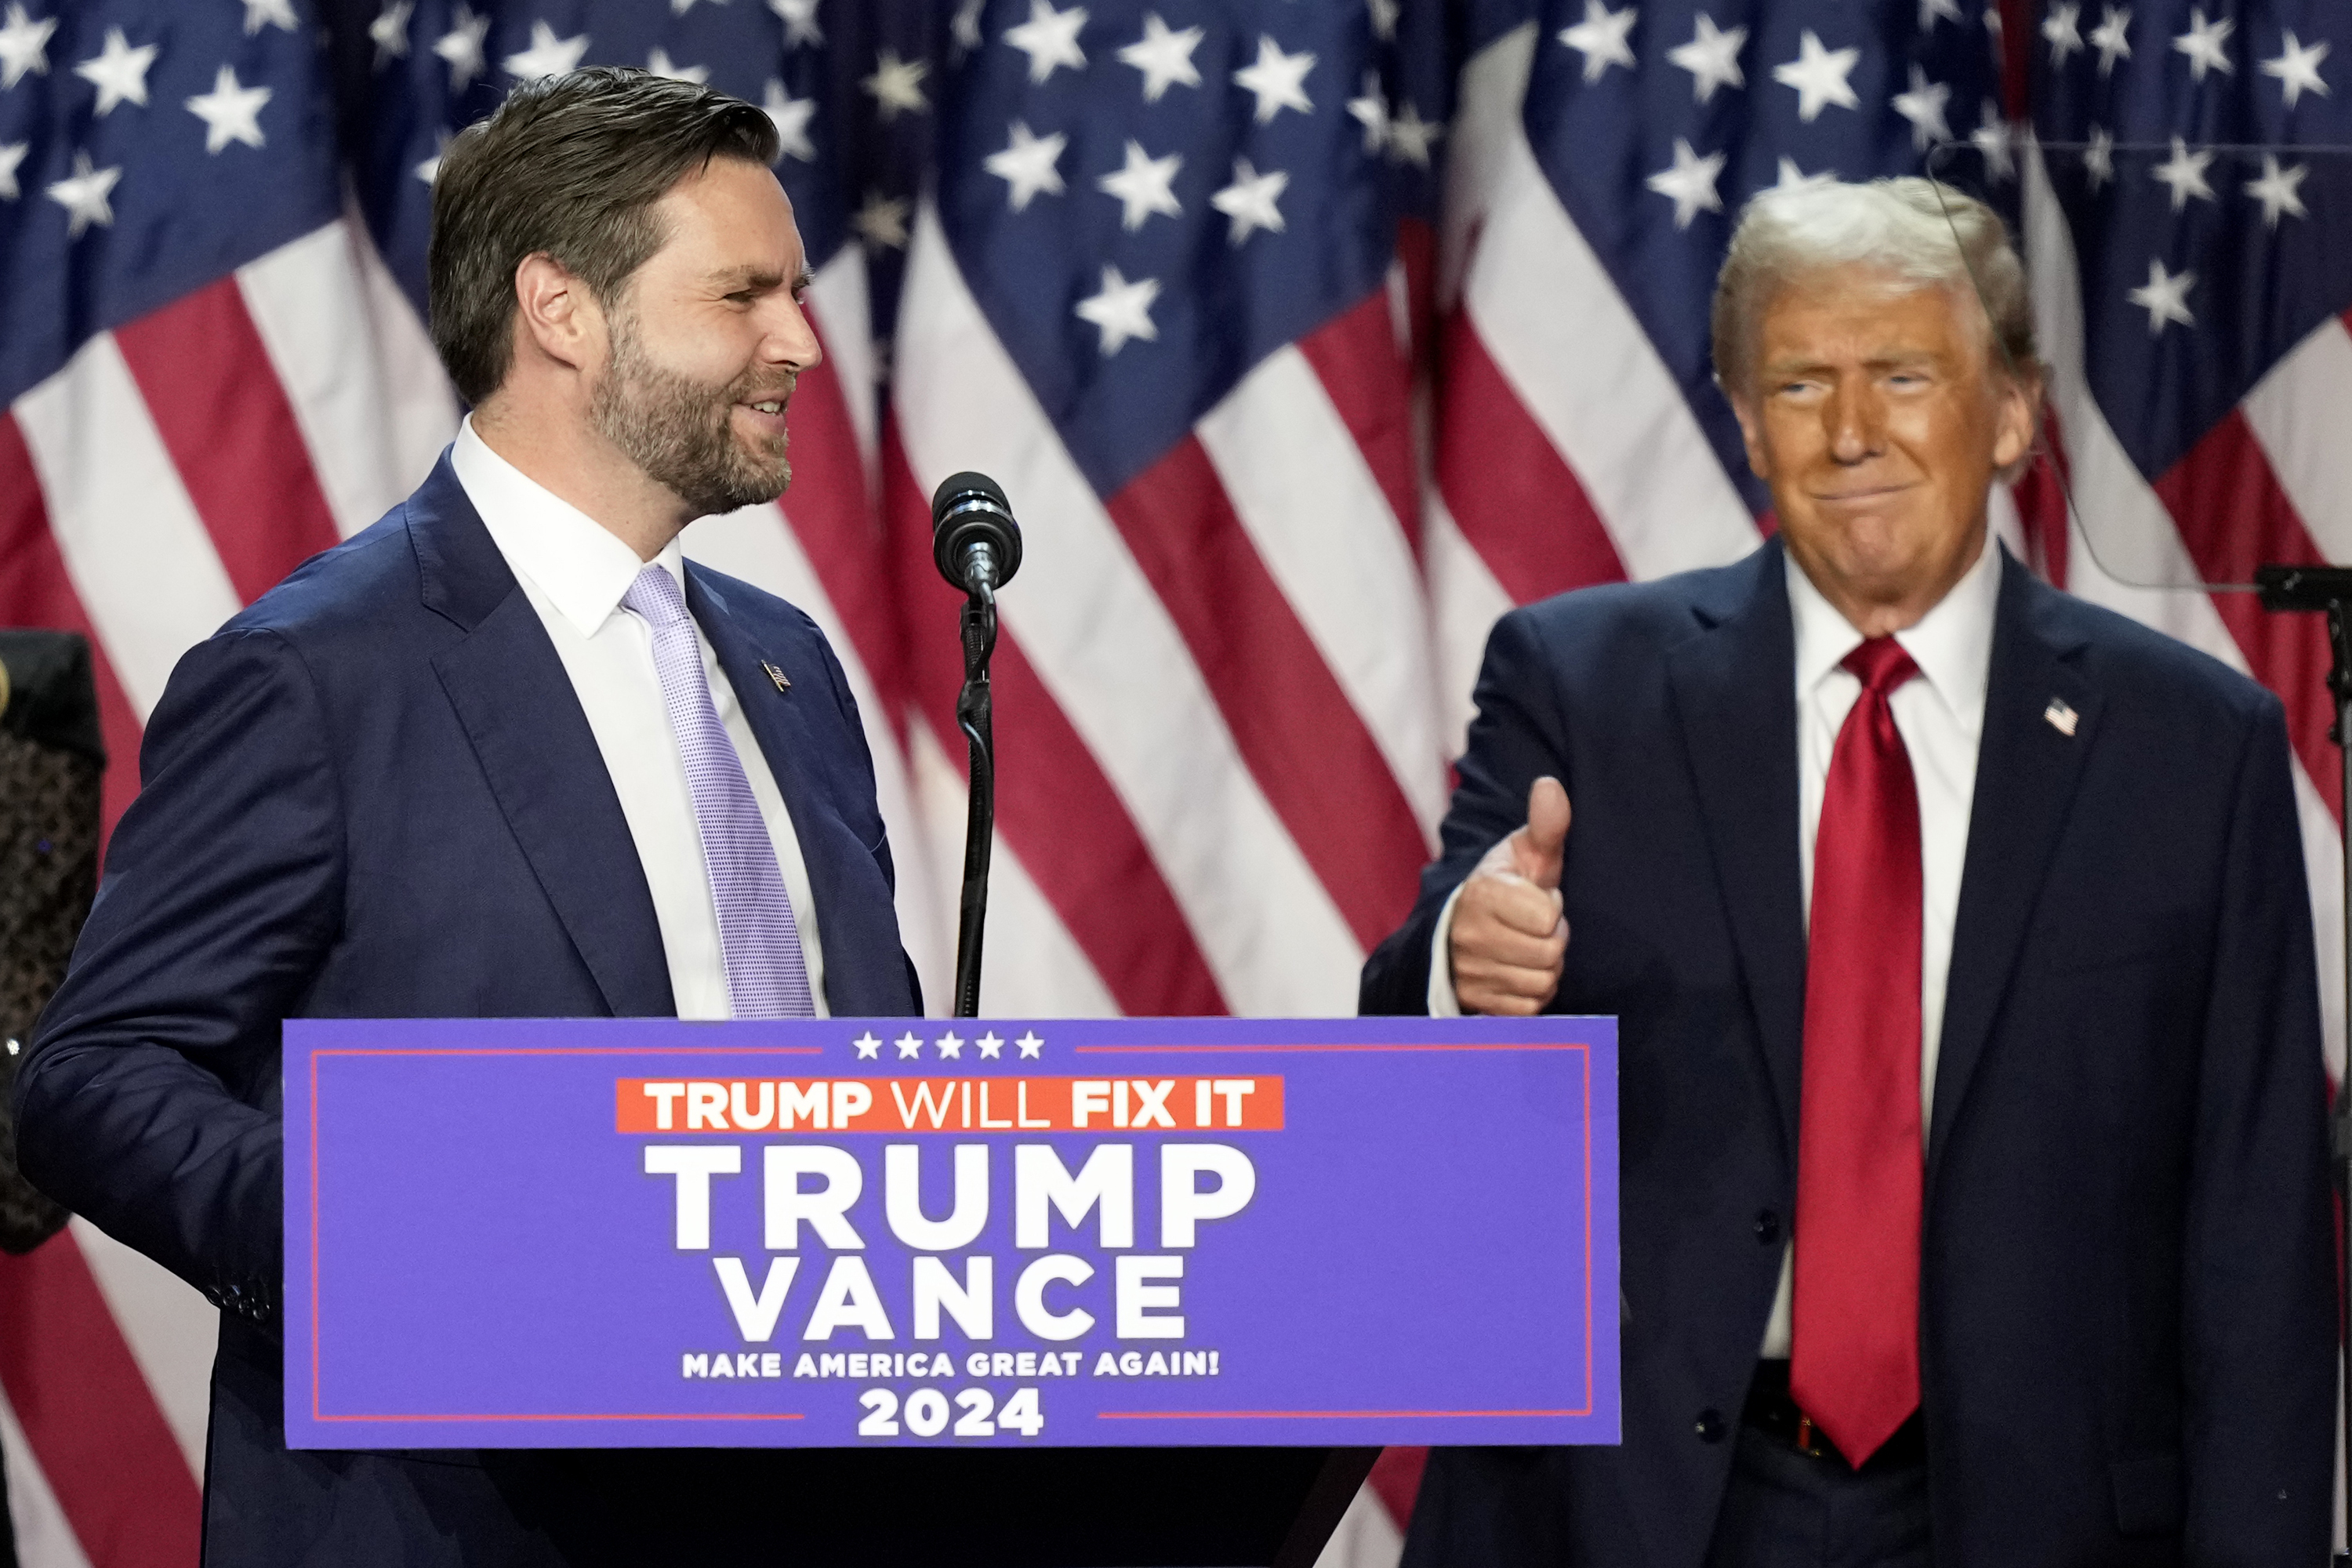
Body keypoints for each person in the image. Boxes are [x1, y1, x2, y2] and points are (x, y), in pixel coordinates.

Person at [15, 69, 918, 1564]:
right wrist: (382, 1241)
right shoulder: (315, 672)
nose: (801, 343)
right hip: (459, 1515)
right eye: (744, 295)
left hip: (811, 1504)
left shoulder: (787, 666)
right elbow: (95, 1074)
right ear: (560, 309)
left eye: (798, 293)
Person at [1363, 178, 2333, 1567]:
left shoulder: (2192, 746)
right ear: (1749, 421)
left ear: (2010, 410)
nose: (1853, 430)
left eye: (1902, 374)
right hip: (1645, 1513)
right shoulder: (1579, 682)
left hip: (2044, 1519)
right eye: (1801, 384)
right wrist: (1463, 956)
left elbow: (2258, 1227)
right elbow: (1399, 1036)